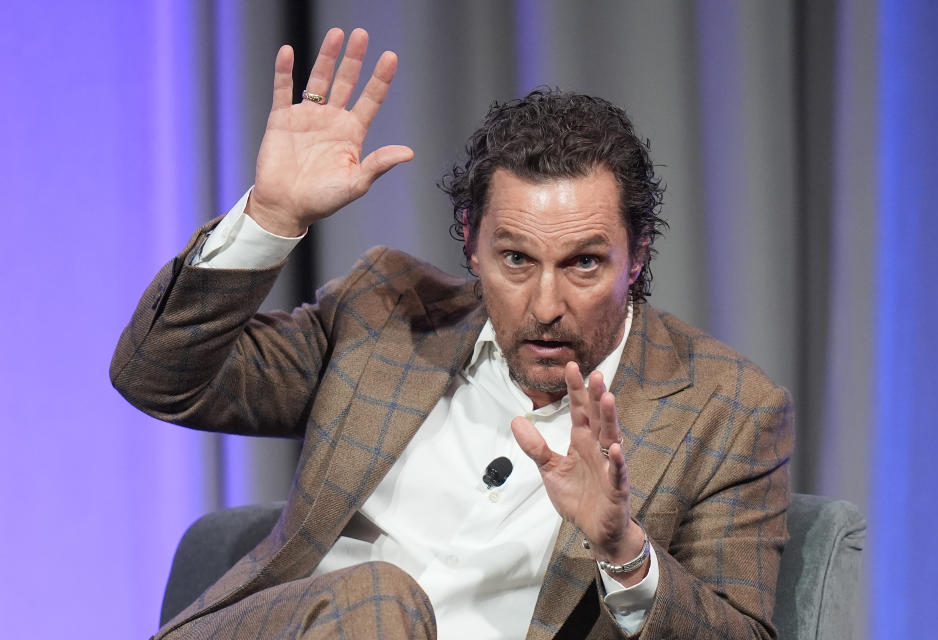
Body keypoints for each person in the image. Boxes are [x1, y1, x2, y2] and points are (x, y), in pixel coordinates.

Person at [112, 28, 793, 640]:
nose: (547, 304)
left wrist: (625, 552)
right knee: (382, 599)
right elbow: (157, 375)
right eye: (516, 260)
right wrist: (272, 216)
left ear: (637, 254)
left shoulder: (727, 408)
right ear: (471, 244)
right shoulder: (383, 317)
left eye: (584, 263)